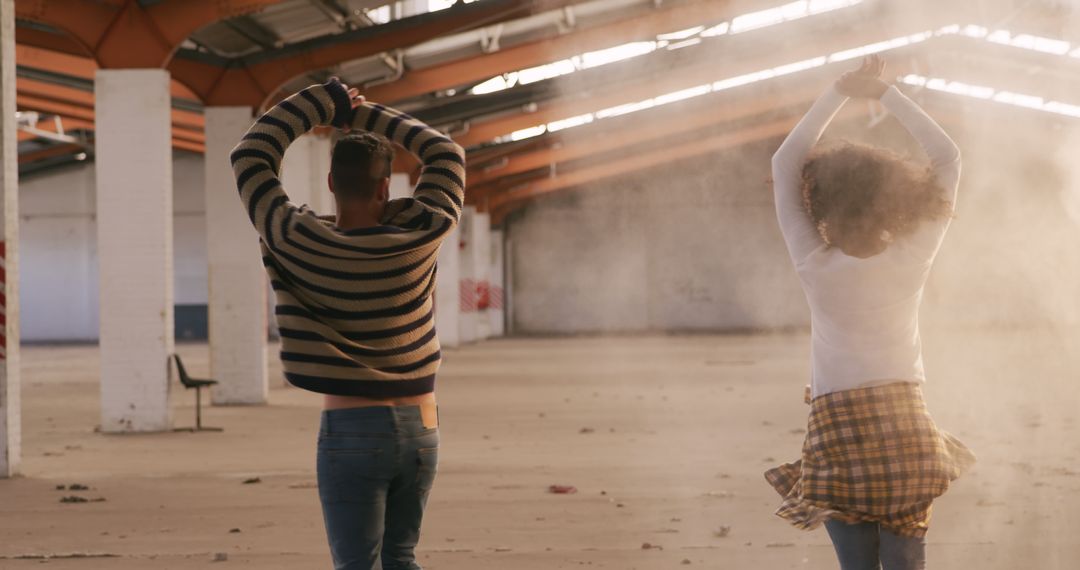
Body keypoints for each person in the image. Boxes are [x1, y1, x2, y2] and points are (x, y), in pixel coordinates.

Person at [229, 77, 466, 570]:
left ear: (332, 182)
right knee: (401, 558)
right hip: (423, 423)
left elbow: (252, 153)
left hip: (352, 426)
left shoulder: (296, 238)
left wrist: (323, 103)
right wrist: (360, 114)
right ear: (387, 186)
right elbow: (444, 152)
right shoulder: (423, 234)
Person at [764, 55, 975, 570]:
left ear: (823, 205)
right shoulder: (911, 259)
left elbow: (783, 165)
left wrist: (838, 92)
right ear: (898, 203)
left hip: (838, 433)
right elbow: (947, 159)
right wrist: (884, 93)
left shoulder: (813, 262)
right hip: (906, 428)